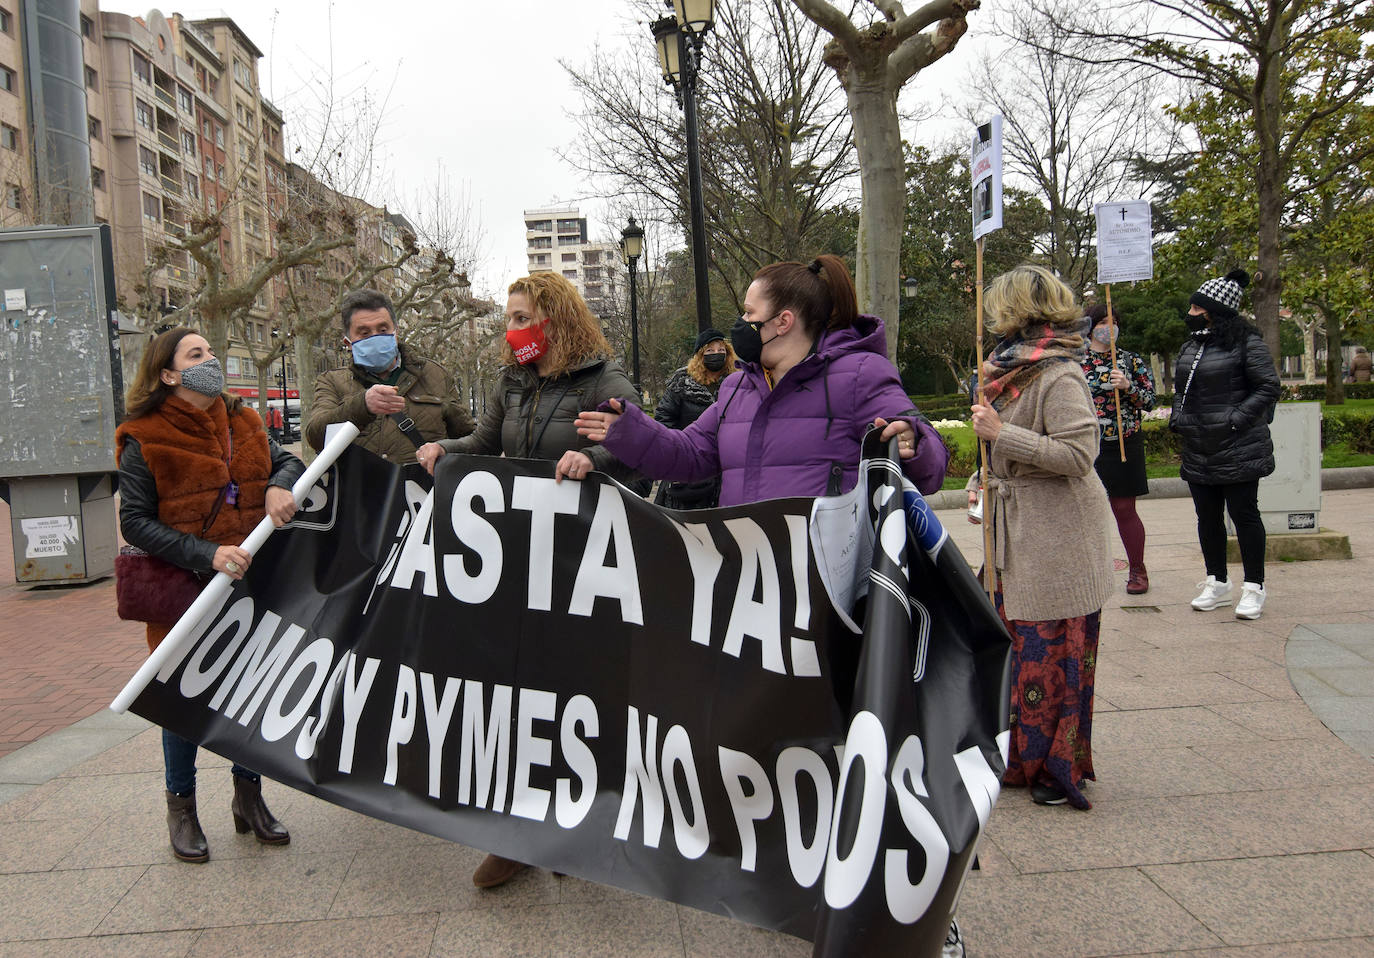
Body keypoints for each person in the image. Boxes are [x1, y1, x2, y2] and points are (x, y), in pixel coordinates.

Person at [416, 271, 643, 889]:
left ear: (554, 319)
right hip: (522, 564)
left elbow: (639, 445)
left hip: (583, 565)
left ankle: (581, 829)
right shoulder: (513, 384)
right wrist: (448, 450)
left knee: (580, 695)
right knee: (517, 693)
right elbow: (487, 442)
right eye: (508, 318)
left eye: (521, 317)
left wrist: (592, 457)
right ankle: (518, 834)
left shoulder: (603, 380)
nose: (511, 329)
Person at [115, 326, 304, 863]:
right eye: (196, 354)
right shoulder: (143, 435)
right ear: (169, 374)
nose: (212, 359)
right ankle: (183, 808)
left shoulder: (241, 418)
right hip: (184, 587)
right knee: (180, 702)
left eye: (211, 350)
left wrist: (277, 483)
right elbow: (135, 521)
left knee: (249, 695)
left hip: (250, 584)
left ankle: (249, 799)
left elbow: (286, 460)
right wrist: (206, 554)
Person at [571, 255, 948, 502]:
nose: (741, 323)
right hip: (752, 581)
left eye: (749, 312)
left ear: (783, 322)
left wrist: (914, 439)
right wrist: (630, 430)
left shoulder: (861, 372)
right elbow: (687, 455)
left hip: (828, 586)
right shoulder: (736, 388)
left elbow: (930, 466)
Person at [965, 265, 1114, 810]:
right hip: (1015, 530)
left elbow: (1080, 455)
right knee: (1017, 649)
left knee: (1051, 650)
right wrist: (985, 471)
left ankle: (1055, 765)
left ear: (1017, 311)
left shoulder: (1059, 374)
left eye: (996, 306)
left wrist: (1003, 434)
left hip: (1057, 537)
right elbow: (1003, 446)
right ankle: (1017, 758)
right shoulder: (1006, 368)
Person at [1170, 269, 1280, 620]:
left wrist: (1235, 418)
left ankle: (1254, 587)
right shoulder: (1192, 346)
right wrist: (1177, 417)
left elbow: (1268, 386)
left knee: (1244, 515)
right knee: (1207, 517)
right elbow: (1180, 391)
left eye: (1196, 307)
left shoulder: (1247, 343)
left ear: (1213, 310)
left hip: (1238, 446)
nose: (1190, 312)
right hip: (1199, 445)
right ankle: (1217, 581)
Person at [305, 288, 474, 465]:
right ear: (348, 342)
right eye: (364, 333)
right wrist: (362, 406)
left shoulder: (435, 374)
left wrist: (443, 449)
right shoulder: (332, 382)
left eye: (383, 329)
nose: (375, 337)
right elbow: (315, 436)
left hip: (423, 489)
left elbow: (469, 438)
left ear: (396, 332)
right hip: (362, 490)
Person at [1081, 303, 1157, 594]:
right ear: (1090, 326)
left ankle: (1137, 569)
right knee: (1086, 510)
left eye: (1114, 321)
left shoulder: (1130, 361)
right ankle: (1088, 570)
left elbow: (1150, 402)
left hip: (1124, 443)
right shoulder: (1076, 363)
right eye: (1103, 321)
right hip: (1088, 447)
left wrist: (1128, 387)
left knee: (1124, 508)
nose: (1109, 327)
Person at [652, 328, 736, 509]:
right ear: (700, 354)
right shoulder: (682, 382)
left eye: (721, 350)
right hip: (691, 465)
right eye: (710, 351)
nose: (716, 354)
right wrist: (679, 450)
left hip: (727, 470)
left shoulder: (737, 382)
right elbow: (663, 418)